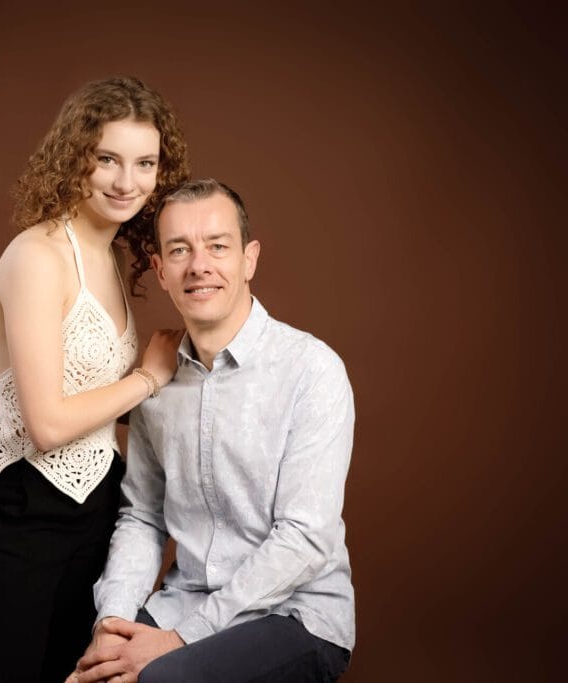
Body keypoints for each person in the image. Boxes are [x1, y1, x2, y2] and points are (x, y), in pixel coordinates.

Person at [70, 179, 355, 683]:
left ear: (249, 259)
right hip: (186, 599)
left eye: (218, 246)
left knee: (160, 681)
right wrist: (112, 622)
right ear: (160, 269)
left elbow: (305, 538)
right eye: (180, 250)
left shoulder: (311, 370)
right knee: (93, 675)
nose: (199, 265)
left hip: (296, 615)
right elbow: (142, 518)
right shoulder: (156, 386)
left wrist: (178, 641)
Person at [0, 77, 191, 682]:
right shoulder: (36, 256)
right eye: (108, 158)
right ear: (74, 156)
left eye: (145, 163)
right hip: (20, 509)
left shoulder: (110, 257)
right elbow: (46, 424)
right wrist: (147, 378)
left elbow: (96, 409)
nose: (126, 181)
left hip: (97, 506)